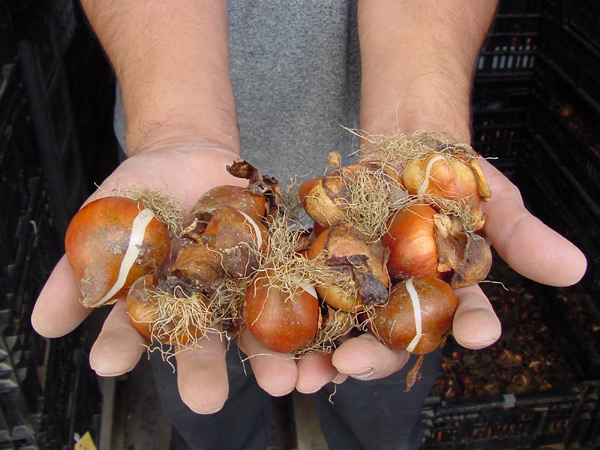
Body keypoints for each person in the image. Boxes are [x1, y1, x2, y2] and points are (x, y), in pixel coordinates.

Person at [32, 1, 587, 449]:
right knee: (208, 415)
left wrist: (421, 120)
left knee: (377, 407)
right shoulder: (203, 240)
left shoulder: (391, 236)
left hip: (375, 167)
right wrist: (174, 122)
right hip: (189, 183)